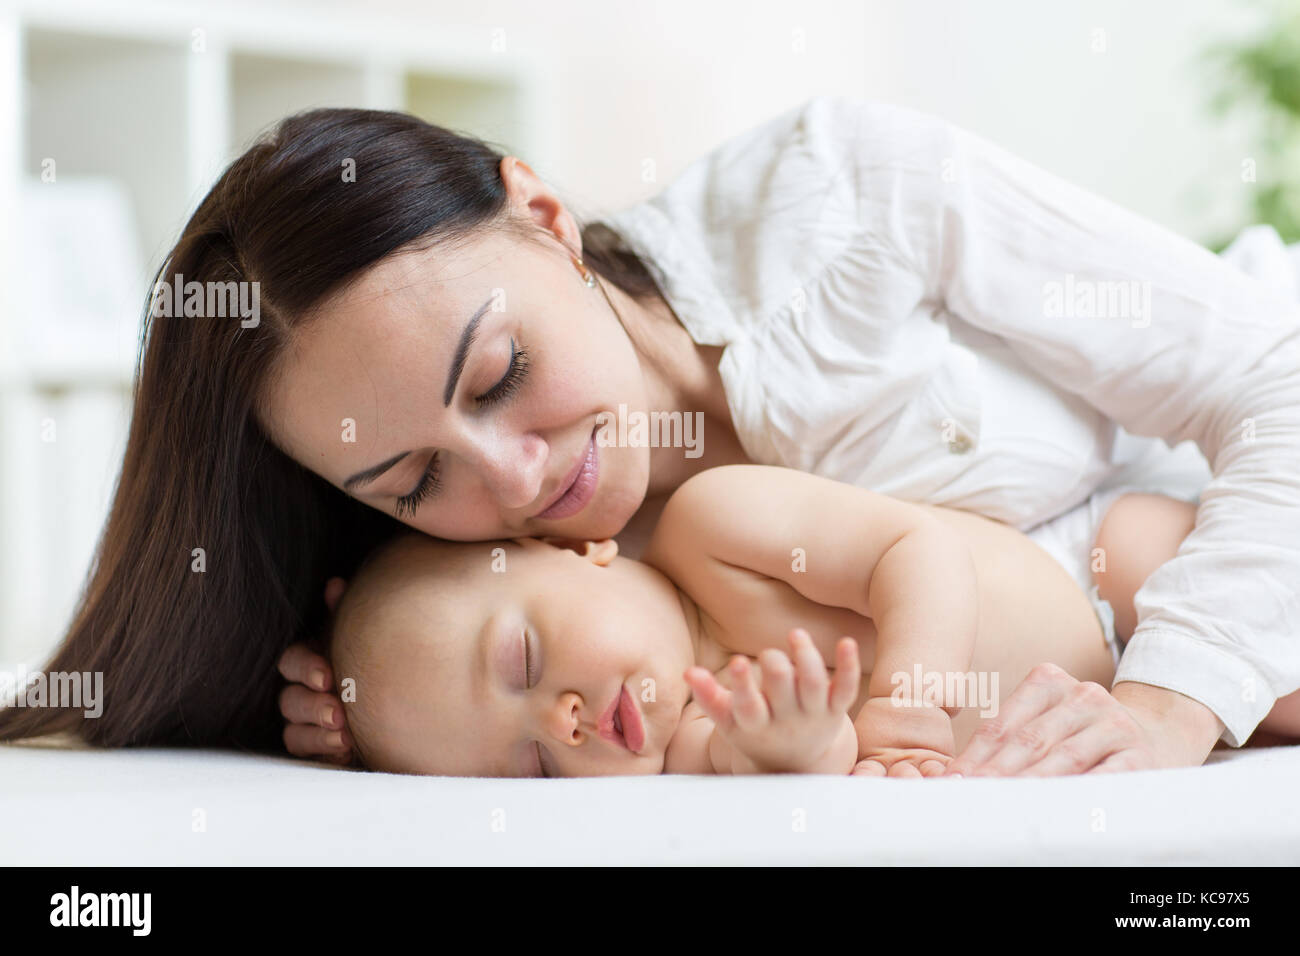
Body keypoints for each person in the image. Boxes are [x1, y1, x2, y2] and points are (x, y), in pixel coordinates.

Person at [3, 97, 1297, 778]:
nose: (516, 479)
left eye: (501, 371)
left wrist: (1177, 704)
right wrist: (374, 712)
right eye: (413, 483)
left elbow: (1270, 375)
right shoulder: (535, 588)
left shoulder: (847, 195)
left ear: (548, 214)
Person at [323, 466, 1300, 778]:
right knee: (1267, 709)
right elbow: (813, 760)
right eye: (530, 761)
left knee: (1221, 613)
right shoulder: (690, 742)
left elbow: (912, 552)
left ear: (573, 548)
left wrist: (906, 707)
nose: (563, 720)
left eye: (524, 658)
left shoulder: (712, 525)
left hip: (1085, 569)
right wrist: (798, 739)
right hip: (1079, 705)